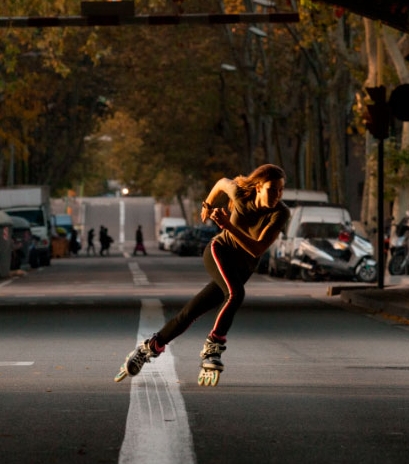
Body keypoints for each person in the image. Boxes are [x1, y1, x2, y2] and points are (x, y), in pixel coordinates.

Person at [115, 164, 289, 386]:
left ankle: (148, 348)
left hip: (242, 267)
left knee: (189, 313)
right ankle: (213, 347)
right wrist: (207, 204)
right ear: (258, 187)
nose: (277, 195)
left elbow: (257, 249)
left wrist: (227, 224)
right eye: (272, 189)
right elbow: (220, 184)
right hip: (219, 252)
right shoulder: (239, 194)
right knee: (236, 294)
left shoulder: (280, 213)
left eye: (281, 190)